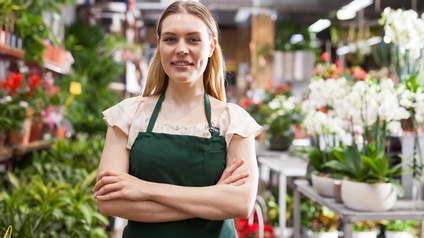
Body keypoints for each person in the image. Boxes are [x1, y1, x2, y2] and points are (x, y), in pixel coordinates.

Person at [92, 1, 262, 237]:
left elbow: (240, 204)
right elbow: (109, 203)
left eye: (193, 39)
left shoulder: (233, 120)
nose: (181, 49)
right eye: (171, 39)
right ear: (159, 45)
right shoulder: (128, 115)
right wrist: (212, 200)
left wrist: (145, 189)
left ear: (211, 46)